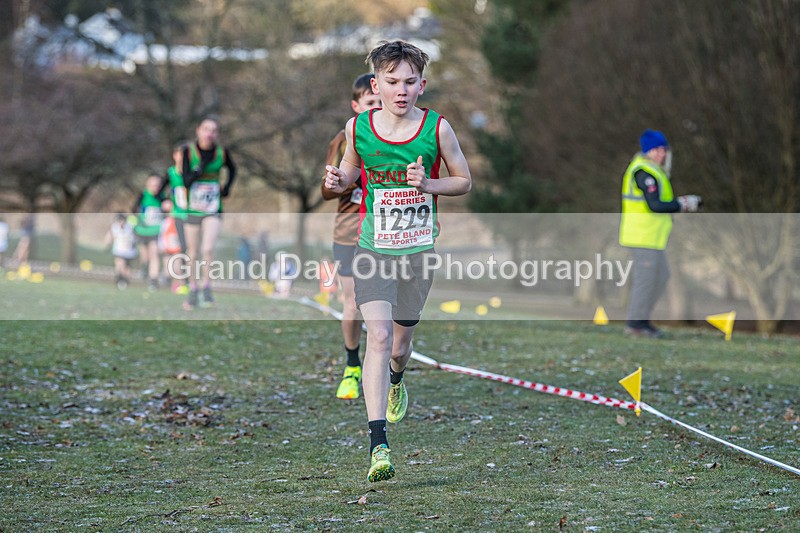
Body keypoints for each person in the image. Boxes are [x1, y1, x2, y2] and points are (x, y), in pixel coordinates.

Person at [324, 40, 472, 482]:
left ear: (422, 85)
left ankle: (397, 381)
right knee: (380, 336)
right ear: (376, 84)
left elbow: (463, 181)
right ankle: (378, 445)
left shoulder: (438, 129)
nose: (401, 89)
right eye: (391, 82)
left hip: (417, 254)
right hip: (372, 250)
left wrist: (428, 183)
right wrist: (336, 179)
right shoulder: (358, 129)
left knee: (400, 348)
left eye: (409, 82)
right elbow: (348, 174)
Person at [321, 72, 382, 401]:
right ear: (356, 105)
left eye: (379, 102)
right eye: (369, 103)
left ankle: (382, 367)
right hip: (349, 232)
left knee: (384, 306)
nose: (376, 108)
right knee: (355, 303)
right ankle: (352, 365)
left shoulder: (395, 135)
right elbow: (327, 190)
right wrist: (342, 181)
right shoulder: (346, 139)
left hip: (385, 233)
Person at [619, 129, 702, 338]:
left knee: (661, 277)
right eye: (656, 150)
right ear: (647, 151)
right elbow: (655, 205)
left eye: (663, 149)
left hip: (652, 237)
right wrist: (683, 204)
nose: (661, 154)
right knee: (645, 280)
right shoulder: (643, 172)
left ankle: (642, 320)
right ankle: (635, 325)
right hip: (642, 236)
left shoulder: (654, 171)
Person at [181, 116, 237, 309]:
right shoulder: (188, 151)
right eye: (206, 129)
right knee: (193, 251)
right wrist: (200, 169)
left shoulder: (222, 152)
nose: (209, 133)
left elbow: (233, 169)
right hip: (193, 207)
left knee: (208, 249)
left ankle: (207, 287)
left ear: (217, 133)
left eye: (213, 130)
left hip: (213, 207)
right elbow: (185, 180)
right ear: (198, 130)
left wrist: (227, 187)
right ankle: (192, 289)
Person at [163, 142, 190, 295]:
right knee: (181, 249)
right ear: (175, 155)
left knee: (193, 249)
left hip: (194, 216)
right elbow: (160, 192)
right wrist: (165, 202)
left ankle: (191, 281)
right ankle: (182, 282)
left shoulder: (193, 171)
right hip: (178, 216)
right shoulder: (171, 172)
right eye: (180, 154)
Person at [132, 174, 167, 291]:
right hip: (142, 230)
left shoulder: (162, 198)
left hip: (156, 231)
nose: (155, 187)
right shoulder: (143, 196)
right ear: (148, 184)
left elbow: (167, 211)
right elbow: (134, 210)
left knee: (154, 254)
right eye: (153, 184)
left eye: (158, 185)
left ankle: (153, 280)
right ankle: (144, 268)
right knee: (145, 255)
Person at [105, 213, 137, 289]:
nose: (120, 222)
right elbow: (110, 237)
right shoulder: (114, 227)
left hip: (129, 250)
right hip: (119, 250)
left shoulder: (130, 227)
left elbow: (134, 238)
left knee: (127, 267)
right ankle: (120, 278)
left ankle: (125, 280)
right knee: (120, 263)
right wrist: (108, 244)